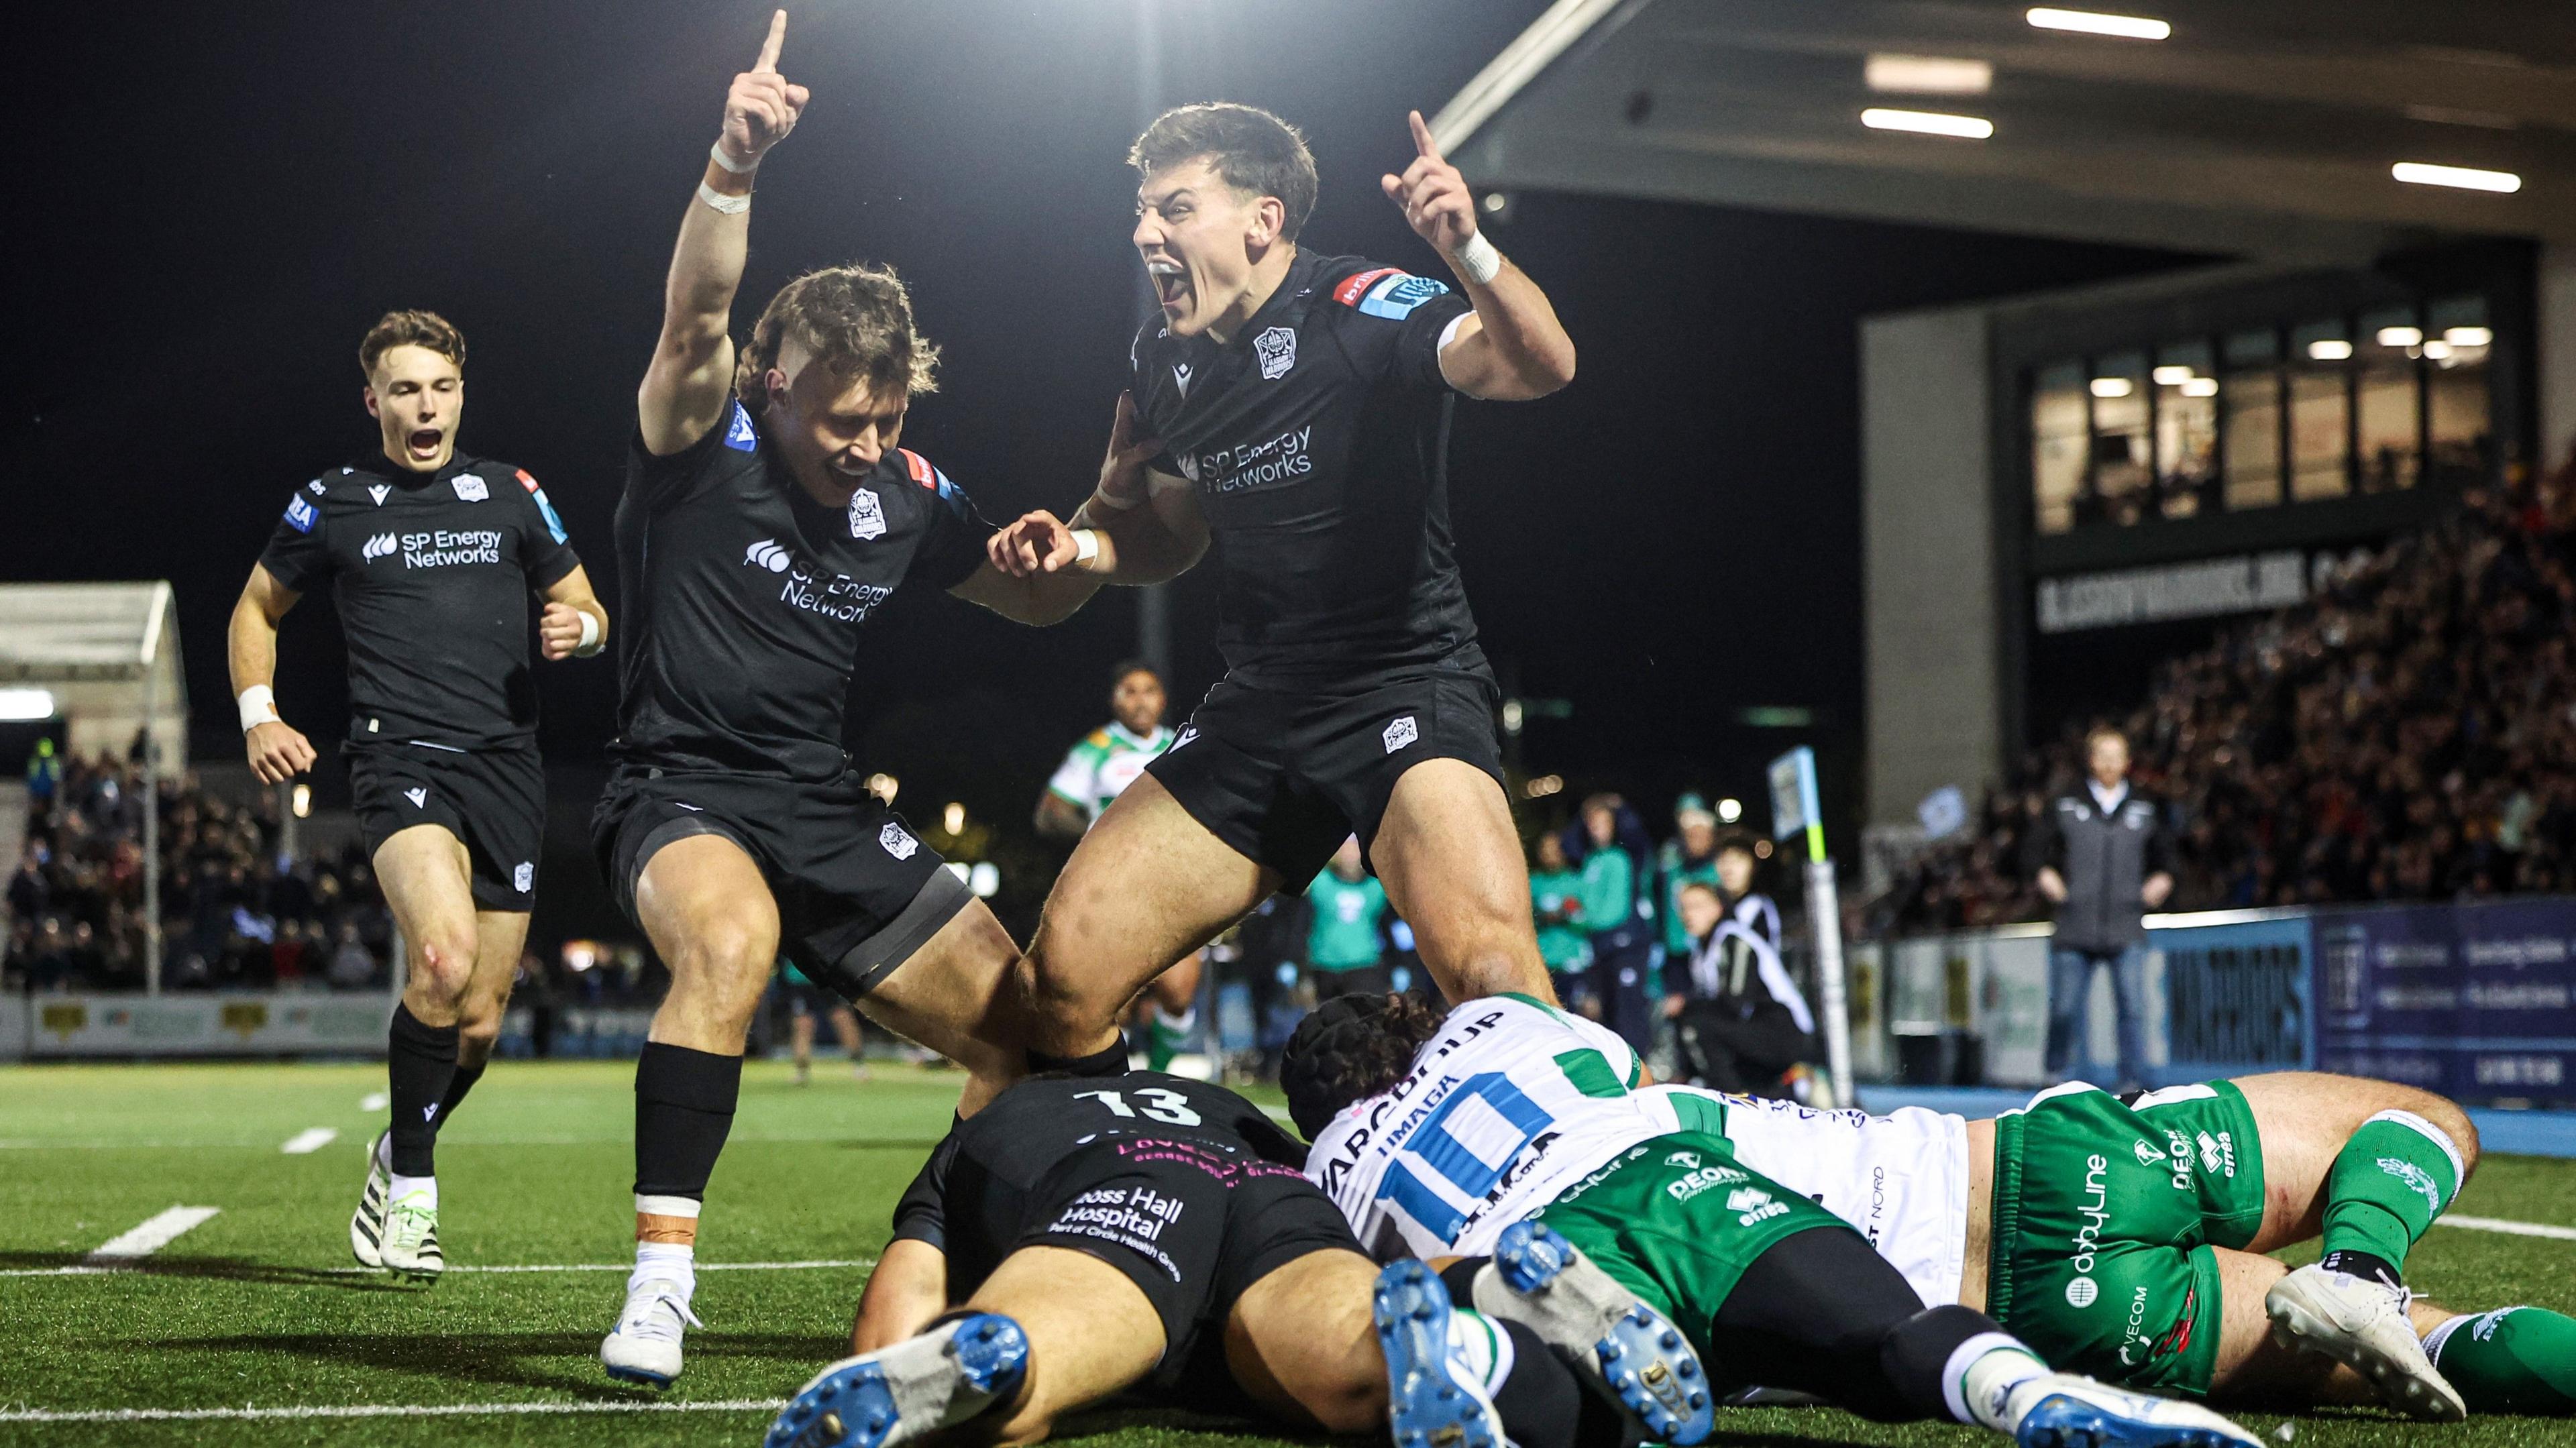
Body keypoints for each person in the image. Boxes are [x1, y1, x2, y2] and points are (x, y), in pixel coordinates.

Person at [591, 15, 1122, 1384]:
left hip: (823, 803)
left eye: (889, 418)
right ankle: (660, 1281)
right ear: (777, 384)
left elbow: (1032, 597)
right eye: (844, 421)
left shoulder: (907, 494)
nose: (868, 446)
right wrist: (733, 158)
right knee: (730, 943)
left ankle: (950, 1256)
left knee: (1026, 1024)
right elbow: (695, 310)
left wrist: (1048, 557)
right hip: (681, 786)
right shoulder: (700, 435)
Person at [981, 99, 1578, 1081]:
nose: (1144, 235)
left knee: (1493, 980)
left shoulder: (1361, 305)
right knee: (1063, 980)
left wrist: (1467, 248)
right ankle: (1137, 1191)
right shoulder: (1164, 360)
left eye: (1174, 209)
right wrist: (1085, 543)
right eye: (1141, 212)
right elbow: (1169, 538)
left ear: (1262, 220)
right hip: (1260, 707)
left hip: (1401, 684)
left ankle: (1611, 1192)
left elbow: (1540, 365)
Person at [1283, 993, 2264, 1448]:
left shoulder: (1329, 1165)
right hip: (1656, 1176)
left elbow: (1324, 1293)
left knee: (1589, 1403)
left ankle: (1484, 1337)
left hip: (1543, 1248)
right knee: (1885, 1338)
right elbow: (1632, 1081)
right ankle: (2025, 1396)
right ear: (1411, 1026)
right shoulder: (1493, 1021)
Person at [229, 307, 609, 1282]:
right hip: (397, 759)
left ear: (461, 395)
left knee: (478, 1019)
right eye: (404, 388)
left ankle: (394, 1149)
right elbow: (256, 607)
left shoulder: (513, 492)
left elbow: (587, 603)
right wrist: (259, 714)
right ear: (374, 402)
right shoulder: (333, 500)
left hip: (507, 768)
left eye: (439, 386)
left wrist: (583, 632)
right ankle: (415, 1196)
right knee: (439, 962)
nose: (424, 404)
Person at [1643, 1070, 2575, 1421]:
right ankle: (2362, 1265)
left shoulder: (1551, 1269)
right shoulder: (1605, 1095)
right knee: (2420, 1118)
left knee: (2429, 1339)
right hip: (2049, 1165)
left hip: (2042, 1321)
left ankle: (2376, 1297)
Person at [769, 1072, 1615, 1448]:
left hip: (1117, 1177)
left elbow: (904, 1284)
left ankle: (998, 1359)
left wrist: (889, 1352)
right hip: (1264, 1179)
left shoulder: (1001, 1119)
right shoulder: (1213, 1096)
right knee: (1354, 1353)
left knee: (1033, 1349)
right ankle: (1480, 1328)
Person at [1034, 662, 1195, 1070]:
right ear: (1115, 699)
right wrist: (1096, 835)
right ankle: (1118, 1086)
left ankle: (1157, 1076)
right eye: (1130, 691)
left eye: (1149, 690)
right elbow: (1048, 813)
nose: (1140, 700)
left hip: (1173, 886)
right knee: (1112, 1002)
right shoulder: (1096, 748)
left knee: (1178, 993)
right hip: (1112, 889)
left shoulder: (1183, 745)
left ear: (1163, 699)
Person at [2029, 726, 2174, 1092]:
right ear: (2091, 760)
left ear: (2128, 762)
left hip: (2126, 924)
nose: (2110, 764)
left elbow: (2170, 859)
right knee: (2063, 1009)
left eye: (2117, 756)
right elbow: (2032, 851)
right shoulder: (2065, 803)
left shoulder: (2146, 807)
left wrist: (2164, 879)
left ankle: (2132, 1086)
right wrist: (2044, 875)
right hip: (2075, 923)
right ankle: (2053, 1078)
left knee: (2132, 1011)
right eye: (2103, 756)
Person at [1663, 880, 1814, 1096]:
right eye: (1683, 907)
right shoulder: (1701, 952)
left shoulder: (1734, 939)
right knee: (1690, 1018)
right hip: (1754, 1029)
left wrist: (1687, 1004)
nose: (1688, 914)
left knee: (1696, 1020)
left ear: (1717, 908)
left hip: (1785, 1031)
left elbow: (1736, 1002)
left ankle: (1730, 1099)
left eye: (1697, 906)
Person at [1574, 795, 1653, 1051]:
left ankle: (1642, 1071)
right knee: (1607, 1012)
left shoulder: (1625, 854)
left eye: (1602, 822)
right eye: (1591, 823)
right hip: (1601, 946)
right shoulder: (1590, 860)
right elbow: (1567, 843)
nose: (1595, 828)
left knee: (1628, 1011)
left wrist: (1620, 807)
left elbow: (1613, 910)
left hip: (1626, 942)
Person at [1303, 837, 1392, 997]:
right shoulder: (1320, 882)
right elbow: (1298, 921)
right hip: (1324, 964)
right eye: (1344, 849)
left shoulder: (1376, 887)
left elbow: (1389, 926)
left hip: (1363, 963)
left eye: (1354, 848)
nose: (1349, 855)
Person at [1654, 793, 1721, 962]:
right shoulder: (1672, 862)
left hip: (1712, 944)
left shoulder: (1719, 866)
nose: (1696, 839)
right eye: (1690, 834)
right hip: (1677, 948)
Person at [777, 959, 867, 1084]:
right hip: (800, 981)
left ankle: (860, 1066)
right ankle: (801, 1072)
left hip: (828, 976)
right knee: (803, 1024)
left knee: (841, 1018)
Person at [1529, 831, 1591, 1001]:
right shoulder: (1533, 883)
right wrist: (1540, 917)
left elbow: (1587, 921)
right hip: (1543, 963)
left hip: (1571, 961)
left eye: (1554, 850)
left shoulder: (1576, 882)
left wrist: (1565, 916)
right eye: (1545, 851)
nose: (1550, 856)